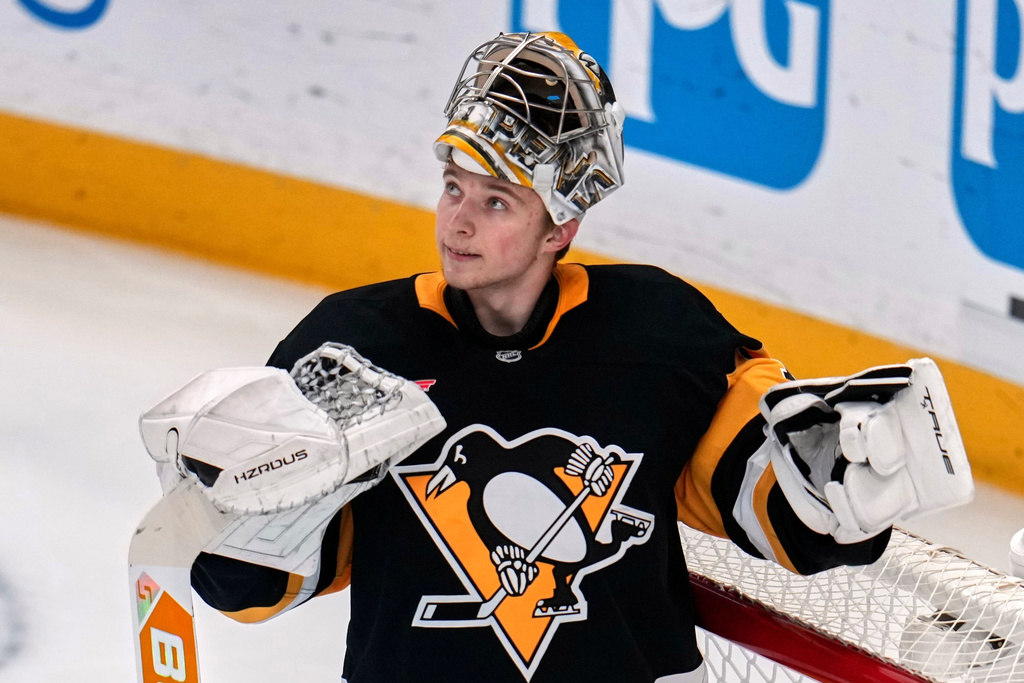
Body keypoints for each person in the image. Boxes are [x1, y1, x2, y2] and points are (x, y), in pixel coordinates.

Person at [151, 32, 971, 683]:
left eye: (496, 200)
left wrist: (838, 489)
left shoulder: (661, 334)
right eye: (453, 186)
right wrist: (232, 519)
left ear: (562, 226)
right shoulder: (353, 349)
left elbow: (781, 514)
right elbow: (247, 588)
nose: (457, 222)